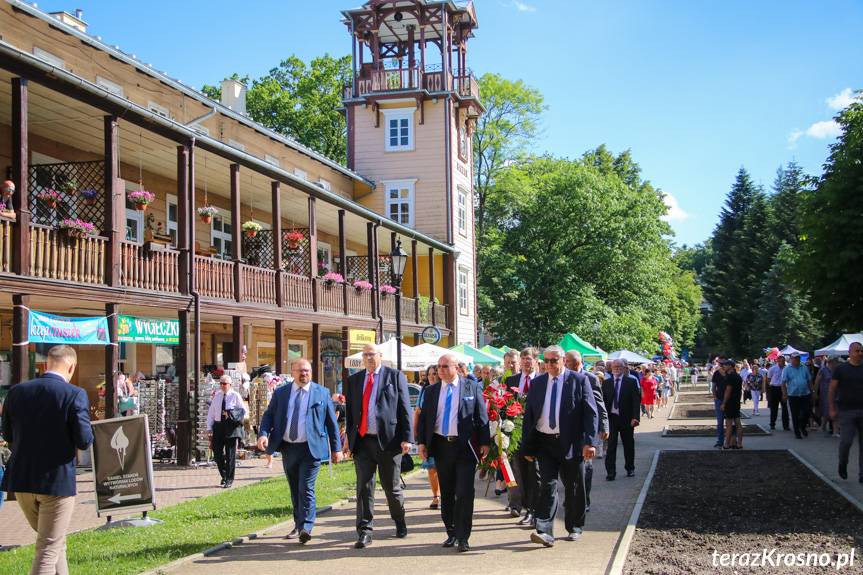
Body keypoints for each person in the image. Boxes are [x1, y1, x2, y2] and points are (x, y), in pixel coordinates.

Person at [1, 345, 93, 575]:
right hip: (56, 482)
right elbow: (84, 441)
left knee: (55, 541)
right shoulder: (74, 394)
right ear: (71, 366)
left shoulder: (16, 392)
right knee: (48, 548)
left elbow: (8, 435)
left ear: (46, 364)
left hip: (22, 482)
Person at [256, 359, 341, 544]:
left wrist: (337, 449)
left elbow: (331, 423)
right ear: (292, 372)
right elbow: (269, 415)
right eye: (300, 371)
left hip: (311, 449)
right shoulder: (281, 393)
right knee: (295, 489)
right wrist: (263, 434)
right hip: (289, 448)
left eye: (307, 371)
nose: (304, 374)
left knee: (306, 487)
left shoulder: (322, 392)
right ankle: (298, 524)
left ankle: (307, 526)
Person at [523, 346, 597, 547]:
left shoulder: (579, 381)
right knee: (547, 485)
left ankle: (574, 526)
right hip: (545, 443)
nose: (550, 365)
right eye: (546, 361)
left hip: (571, 443)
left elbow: (591, 413)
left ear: (563, 360)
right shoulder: (538, 383)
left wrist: (590, 442)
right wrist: (527, 448)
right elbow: (529, 416)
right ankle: (544, 530)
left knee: (574, 487)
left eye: (554, 360)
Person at [417, 353, 490, 552]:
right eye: (439, 367)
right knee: (447, 492)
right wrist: (422, 443)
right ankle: (451, 531)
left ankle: (463, 536)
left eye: (445, 366)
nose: (441, 370)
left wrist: (485, 442)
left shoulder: (471, 387)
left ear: (456, 368)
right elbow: (424, 420)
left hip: (464, 447)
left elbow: (481, 416)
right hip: (441, 446)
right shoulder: (431, 391)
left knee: (465, 492)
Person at [345, 344, 412, 549]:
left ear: (380, 356)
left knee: (391, 488)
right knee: (364, 487)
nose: (369, 358)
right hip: (363, 441)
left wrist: (407, 437)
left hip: (389, 442)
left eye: (372, 354)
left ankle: (399, 520)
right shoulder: (354, 380)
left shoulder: (394, 376)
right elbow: (351, 412)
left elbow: (404, 408)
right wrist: (349, 438)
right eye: (365, 355)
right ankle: (365, 531)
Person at [565, 350, 607, 512]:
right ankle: (572, 498)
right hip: (568, 432)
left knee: (586, 467)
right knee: (570, 468)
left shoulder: (590, 378)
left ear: (576, 363)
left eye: (568, 362)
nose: (566, 365)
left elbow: (599, 404)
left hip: (586, 431)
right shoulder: (564, 378)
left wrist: (604, 426)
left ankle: (585, 500)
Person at [504, 347, 540, 524]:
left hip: (537, 435)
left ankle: (535, 511)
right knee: (520, 474)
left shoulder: (541, 381)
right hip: (516, 435)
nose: (526, 361)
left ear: (535, 361)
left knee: (536, 474)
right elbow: (504, 406)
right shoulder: (512, 380)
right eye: (523, 358)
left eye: (529, 358)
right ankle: (527, 509)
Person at [829, 342, 863, 482]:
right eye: (857, 351)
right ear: (850, 353)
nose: (860, 353)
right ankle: (843, 463)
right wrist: (831, 408)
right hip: (846, 411)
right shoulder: (841, 369)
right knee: (846, 442)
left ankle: (862, 474)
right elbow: (832, 389)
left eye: (861, 351)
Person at [207, 374, 248, 488]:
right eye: (221, 383)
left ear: (230, 385)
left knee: (230, 455)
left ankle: (229, 479)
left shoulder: (235, 395)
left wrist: (231, 413)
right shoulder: (217, 396)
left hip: (231, 428)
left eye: (225, 384)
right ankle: (224, 475)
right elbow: (211, 413)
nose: (222, 386)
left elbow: (243, 411)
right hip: (219, 426)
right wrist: (209, 428)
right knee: (217, 455)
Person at [602, 359, 640, 480]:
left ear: (624, 368)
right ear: (611, 368)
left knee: (628, 445)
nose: (616, 368)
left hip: (627, 419)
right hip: (611, 418)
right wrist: (602, 421)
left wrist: (635, 417)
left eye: (619, 366)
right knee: (611, 446)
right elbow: (602, 402)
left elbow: (636, 401)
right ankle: (610, 472)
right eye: (614, 367)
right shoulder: (606, 383)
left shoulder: (631, 382)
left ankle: (630, 468)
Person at [414, 365, 441, 510]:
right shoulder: (424, 391)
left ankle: (447, 494)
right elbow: (418, 412)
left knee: (443, 467)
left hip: (442, 434)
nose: (432, 376)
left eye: (435, 373)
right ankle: (435, 496)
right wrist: (416, 433)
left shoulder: (445, 389)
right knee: (432, 467)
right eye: (429, 374)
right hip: (428, 434)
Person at [782, 353, 813, 439]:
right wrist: (784, 394)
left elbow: (809, 380)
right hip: (793, 395)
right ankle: (797, 432)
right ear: (791, 359)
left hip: (805, 394)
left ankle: (802, 427)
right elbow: (783, 383)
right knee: (795, 414)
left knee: (806, 412)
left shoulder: (804, 368)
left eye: (798, 359)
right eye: (794, 359)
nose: (796, 360)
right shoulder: (787, 369)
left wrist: (812, 392)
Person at [721, 360, 744, 449]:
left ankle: (727, 444)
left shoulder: (731, 377)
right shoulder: (738, 376)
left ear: (730, 366)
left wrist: (724, 403)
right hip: (736, 402)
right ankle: (739, 443)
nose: (724, 366)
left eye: (725, 365)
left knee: (729, 423)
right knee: (738, 422)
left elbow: (728, 390)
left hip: (730, 402)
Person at [814, 357, 838, 436]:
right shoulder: (823, 370)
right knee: (828, 410)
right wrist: (815, 393)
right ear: (831, 362)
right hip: (825, 393)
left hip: (835, 393)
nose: (836, 363)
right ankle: (834, 431)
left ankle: (826, 427)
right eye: (835, 361)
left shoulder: (836, 370)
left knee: (832, 410)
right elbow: (817, 382)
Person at [767, 356, 790, 431]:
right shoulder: (772, 369)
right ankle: (772, 424)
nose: (782, 363)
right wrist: (771, 386)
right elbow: (768, 379)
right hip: (774, 388)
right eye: (780, 361)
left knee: (785, 408)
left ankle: (786, 426)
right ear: (777, 361)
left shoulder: (787, 368)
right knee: (774, 408)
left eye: (783, 361)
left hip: (784, 389)